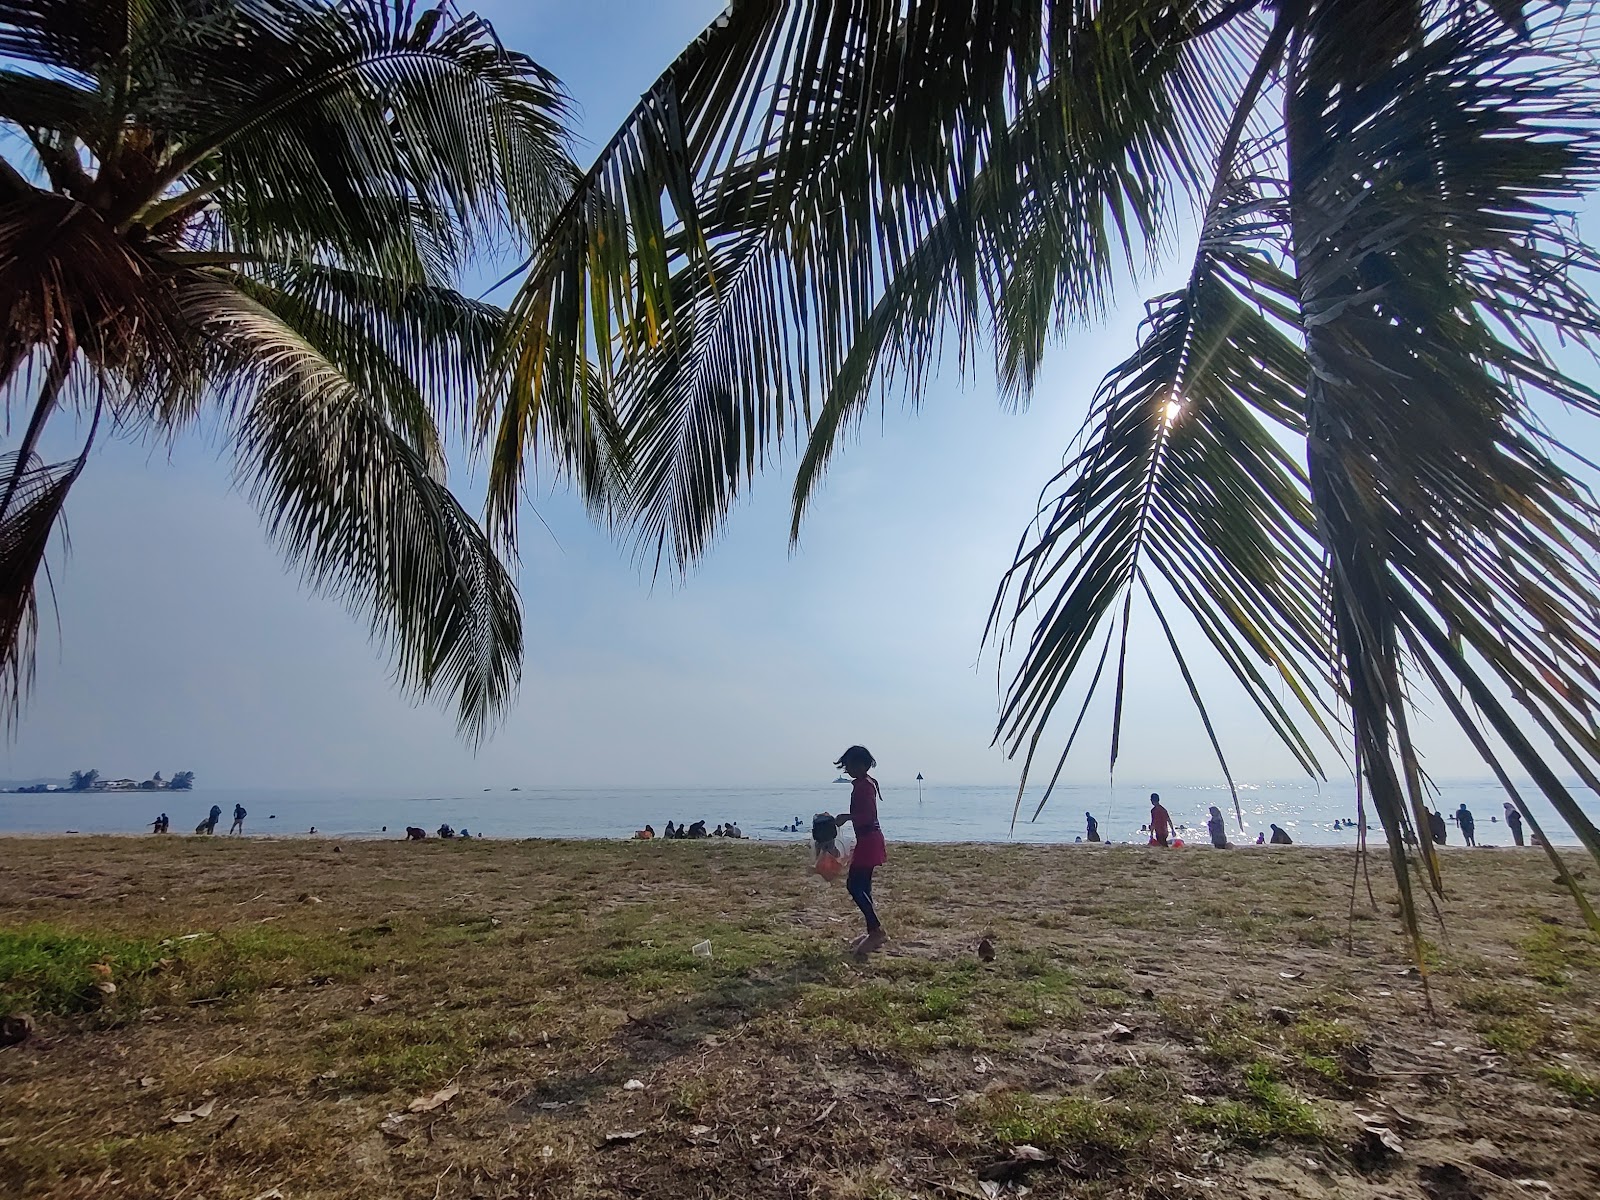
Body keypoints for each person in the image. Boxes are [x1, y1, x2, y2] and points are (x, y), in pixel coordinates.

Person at [833, 745, 889, 954]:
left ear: (863, 765)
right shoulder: (865, 784)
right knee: (863, 886)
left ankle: (876, 931)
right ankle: (873, 930)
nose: (847, 770)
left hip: (868, 840)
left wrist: (846, 817)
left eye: (849, 766)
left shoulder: (864, 786)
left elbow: (866, 816)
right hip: (869, 839)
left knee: (854, 885)